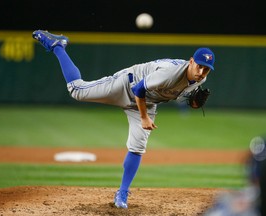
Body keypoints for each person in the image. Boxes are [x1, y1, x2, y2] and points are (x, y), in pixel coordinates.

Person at [32, 30, 215, 209]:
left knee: (138, 146)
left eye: (206, 69)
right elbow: (139, 90)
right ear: (191, 61)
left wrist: (193, 104)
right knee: (77, 91)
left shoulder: (200, 80)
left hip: (147, 102)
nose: (201, 71)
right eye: (199, 65)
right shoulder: (170, 73)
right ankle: (58, 46)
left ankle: (122, 193)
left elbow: (175, 93)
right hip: (127, 85)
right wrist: (143, 118)